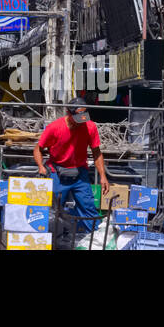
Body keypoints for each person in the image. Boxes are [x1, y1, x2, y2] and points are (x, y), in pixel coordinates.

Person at [32, 102, 111, 240]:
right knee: (53, 210)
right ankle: (47, 241)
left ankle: (96, 241)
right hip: (57, 171)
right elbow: (38, 149)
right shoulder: (55, 128)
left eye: (83, 117)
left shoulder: (89, 126)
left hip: (80, 173)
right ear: (69, 114)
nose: (81, 122)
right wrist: (41, 166)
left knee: (88, 207)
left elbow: (97, 152)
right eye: (78, 119)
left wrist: (103, 176)